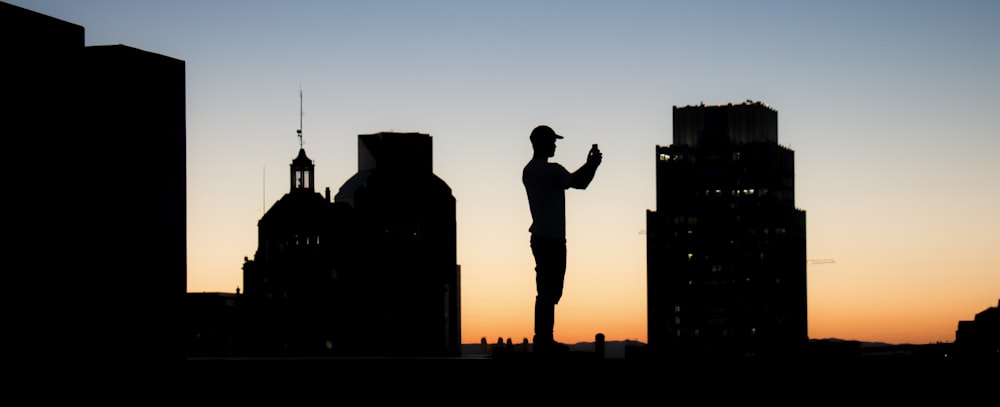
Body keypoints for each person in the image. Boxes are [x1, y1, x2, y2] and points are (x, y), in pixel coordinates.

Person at [522, 125, 602, 353]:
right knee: (549, 291)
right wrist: (593, 165)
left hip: (542, 238)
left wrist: (590, 166)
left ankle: (544, 338)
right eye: (552, 141)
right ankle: (544, 340)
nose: (555, 145)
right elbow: (580, 182)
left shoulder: (529, 171)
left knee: (548, 291)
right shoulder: (550, 171)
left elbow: (575, 181)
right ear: (542, 144)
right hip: (551, 240)